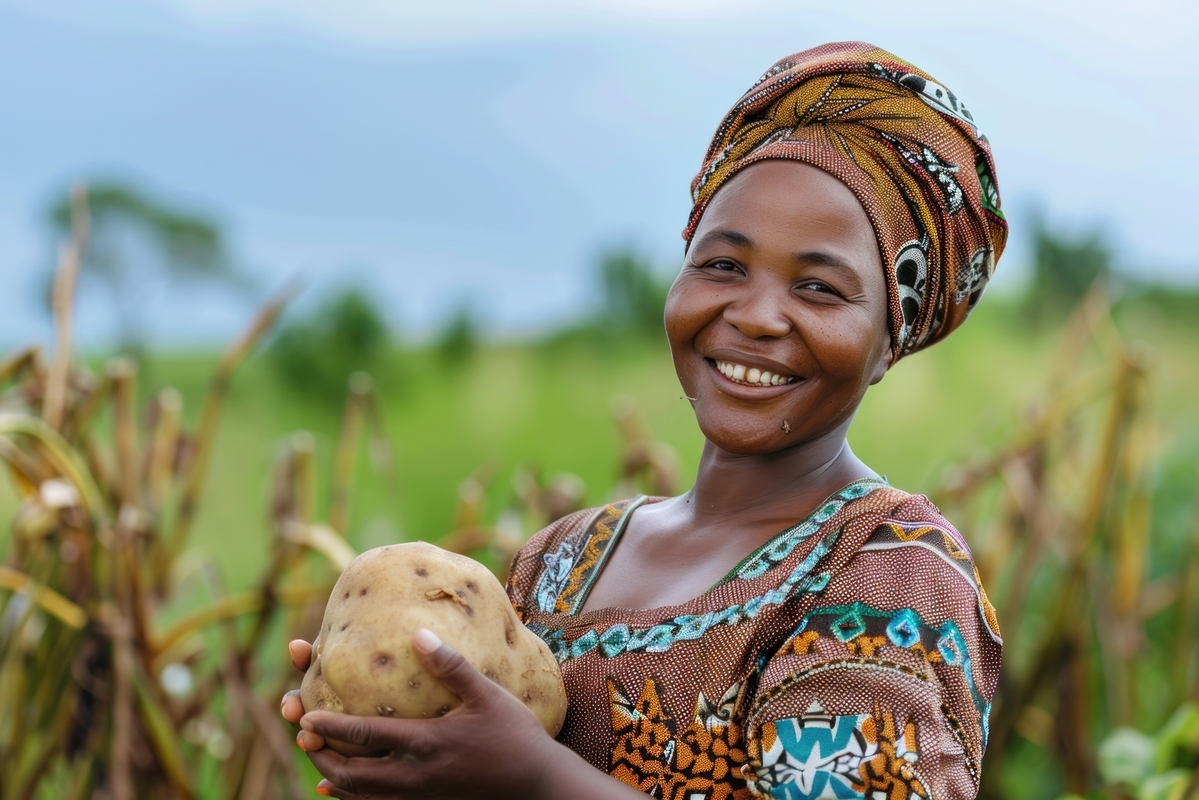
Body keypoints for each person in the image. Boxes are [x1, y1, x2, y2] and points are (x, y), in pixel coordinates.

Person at [281, 41, 1007, 799]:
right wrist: (397, 751)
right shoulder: (559, 561)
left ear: (891, 338)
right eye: (722, 265)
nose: (756, 316)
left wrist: (529, 776)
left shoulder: (888, 568)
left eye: (819, 288)